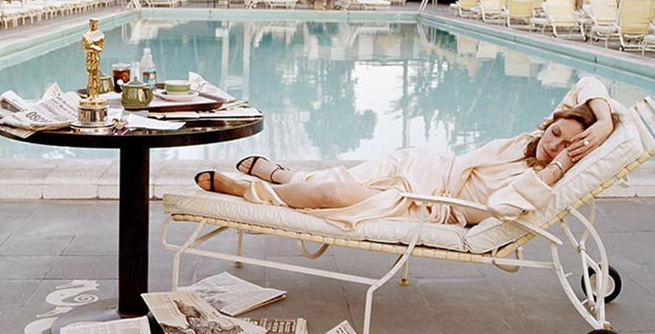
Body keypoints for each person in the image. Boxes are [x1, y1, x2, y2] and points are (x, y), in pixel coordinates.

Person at [194, 76, 620, 228]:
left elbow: (498, 208)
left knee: (335, 195)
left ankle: (250, 190)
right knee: (341, 181)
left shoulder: (540, 182)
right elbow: (589, 83)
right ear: (552, 123)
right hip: (420, 166)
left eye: (567, 145)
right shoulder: (530, 139)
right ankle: (283, 177)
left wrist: (561, 164)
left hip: (429, 206)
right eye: (558, 133)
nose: (555, 144)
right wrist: (600, 123)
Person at [81, 18, 105, 99]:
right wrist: (94, 47)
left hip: (95, 58)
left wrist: (90, 46)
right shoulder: (85, 36)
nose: (93, 25)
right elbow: (85, 47)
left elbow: (100, 49)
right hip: (89, 58)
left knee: (95, 76)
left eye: (95, 23)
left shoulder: (101, 36)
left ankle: (95, 94)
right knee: (89, 75)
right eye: (91, 23)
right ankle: (91, 95)